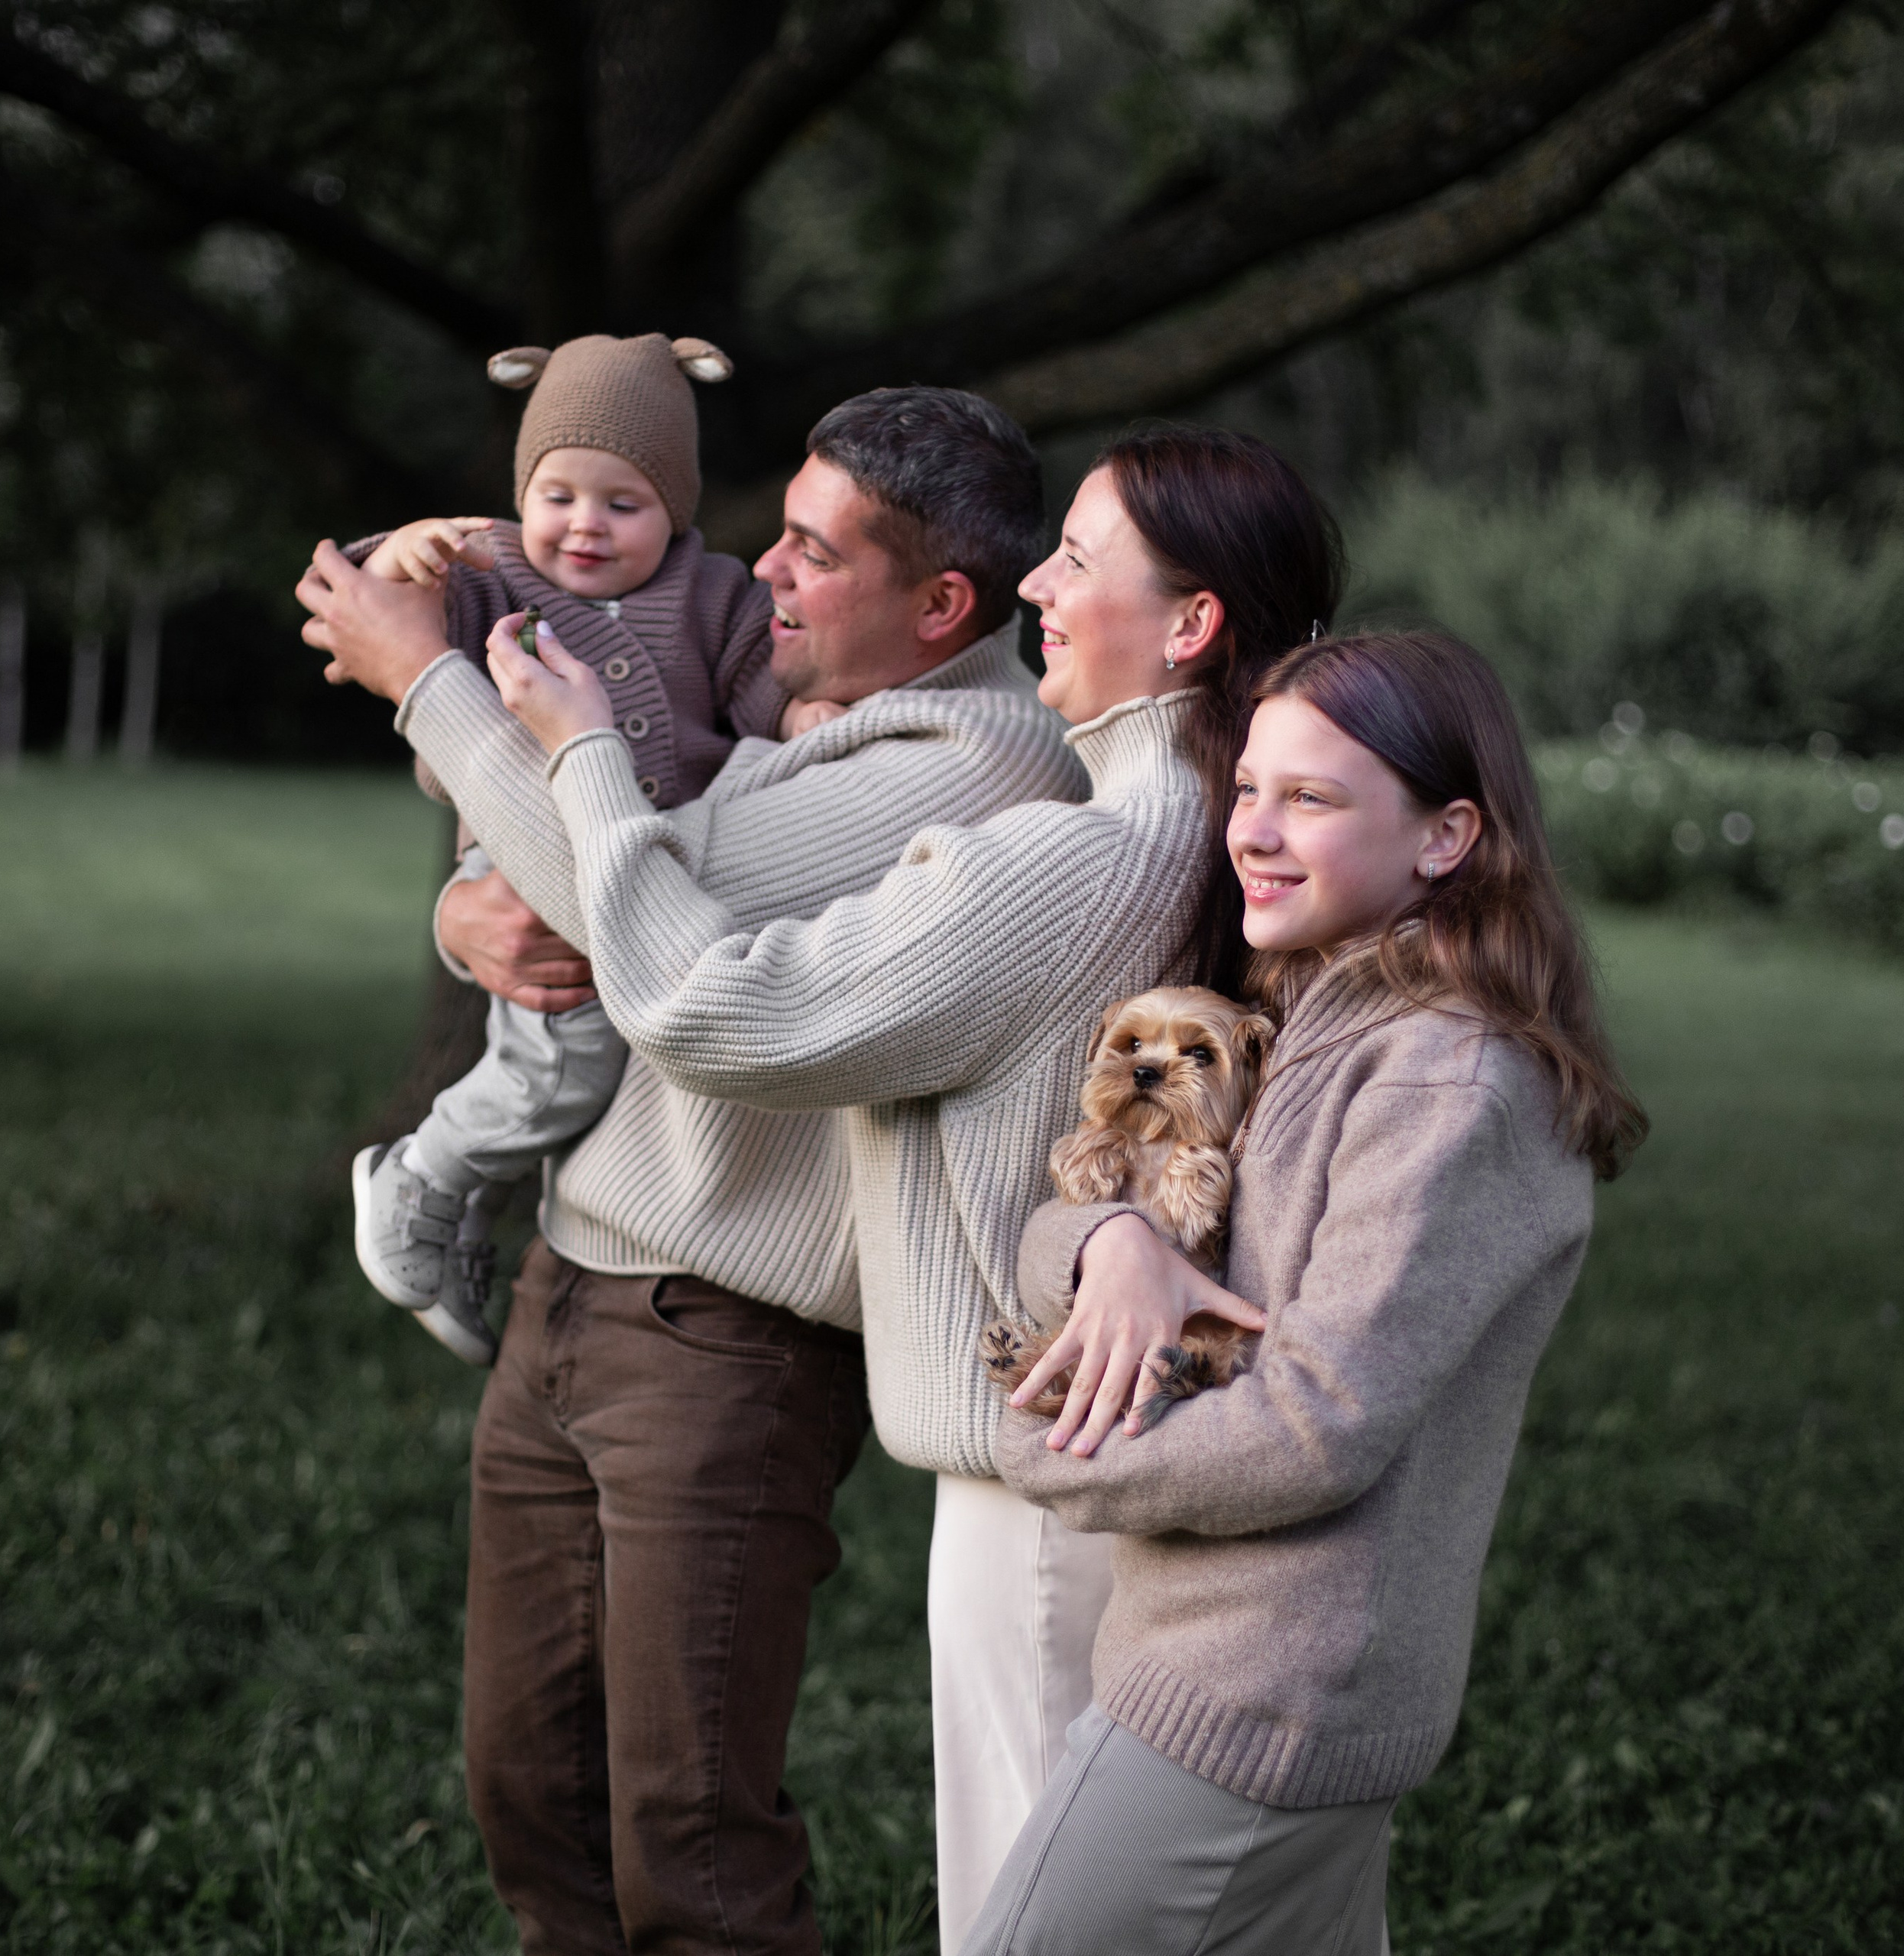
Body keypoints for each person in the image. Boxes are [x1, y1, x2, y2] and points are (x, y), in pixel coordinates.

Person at [445, 425, 1342, 1952]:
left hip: (1049, 1457)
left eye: (1072, 555)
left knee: (1020, 1910)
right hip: (1070, 1427)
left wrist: (549, 740)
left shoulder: (1090, 843)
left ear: (1189, 624)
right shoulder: (1180, 831)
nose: (1031, 586)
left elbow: (718, 1008)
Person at [300, 387, 1082, 1956]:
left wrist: (422, 681)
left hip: (726, 1342)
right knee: (533, 1793)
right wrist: (462, 916)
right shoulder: (791, 711)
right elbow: (566, 865)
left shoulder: (973, 770)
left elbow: (620, 888)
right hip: (571, 1284)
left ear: (939, 604)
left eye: (809, 550)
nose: (762, 572)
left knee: (688, 1838)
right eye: (775, 528)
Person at [973, 630, 1649, 1955]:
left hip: (1268, 1694)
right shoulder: (1303, 1014)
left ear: (1448, 837)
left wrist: (1042, 1448)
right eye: (1248, 791)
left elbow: (1314, 1425)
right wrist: (1115, 1248)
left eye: (1315, 799)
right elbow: (1100, 1197)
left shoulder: (1444, 1082)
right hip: (1217, 1662)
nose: (1256, 835)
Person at [344, 330, 841, 1365]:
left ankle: (473, 1200)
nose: (584, 526)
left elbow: (763, 686)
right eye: (558, 493)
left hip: (646, 859)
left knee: (612, 1080)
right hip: (523, 855)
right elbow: (377, 604)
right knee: (563, 1065)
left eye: (625, 504)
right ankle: (419, 1180)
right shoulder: (489, 566)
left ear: (676, 509)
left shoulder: (712, 593)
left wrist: (800, 715)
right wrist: (403, 557)